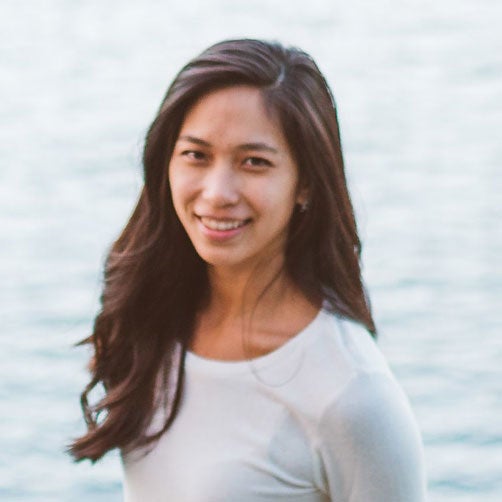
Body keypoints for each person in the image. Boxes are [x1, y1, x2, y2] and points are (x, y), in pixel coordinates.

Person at [70, 39, 427, 501]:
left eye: (254, 162)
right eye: (196, 155)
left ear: (306, 186)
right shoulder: (152, 320)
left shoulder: (354, 398)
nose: (217, 192)